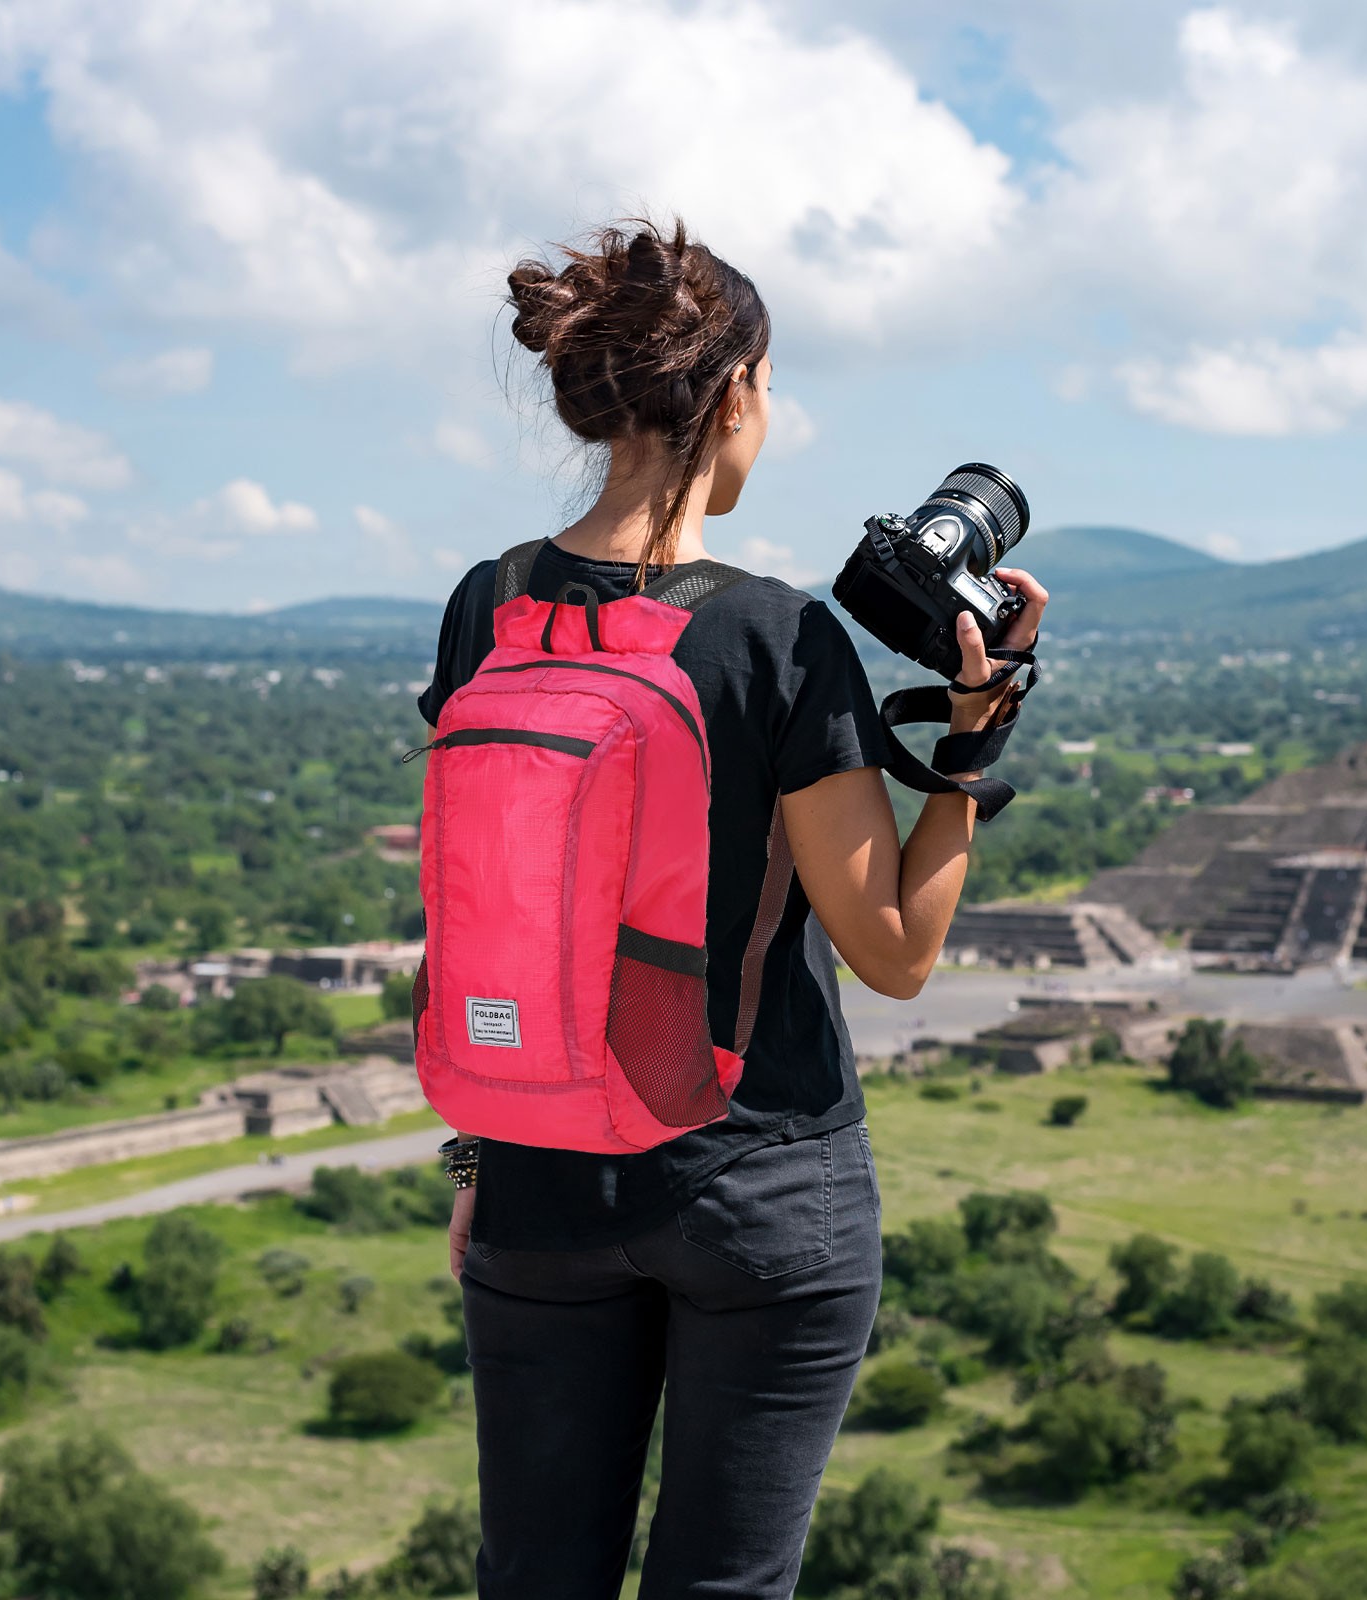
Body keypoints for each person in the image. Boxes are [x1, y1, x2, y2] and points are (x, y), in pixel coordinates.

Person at [415, 216, 1047, 1600]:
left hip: (535, 1178)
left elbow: (495, 915)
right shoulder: (775, 635)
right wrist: (971, 751)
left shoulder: (490, 606)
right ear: (738, 391)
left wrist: (478, 1161)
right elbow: (892, 951)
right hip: (760, 1191)